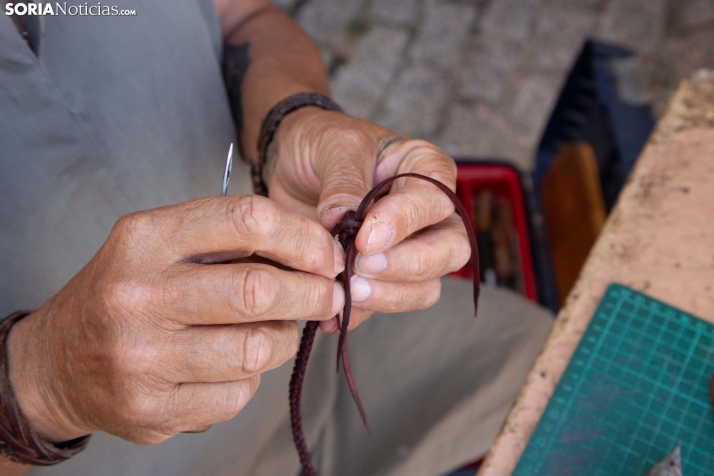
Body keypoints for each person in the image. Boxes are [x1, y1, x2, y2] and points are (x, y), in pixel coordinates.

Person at [0, 1, 553, 475]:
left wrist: (292, 118)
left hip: (316, 362)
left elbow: (241, 15)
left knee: (557, 367)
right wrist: (44, 384)